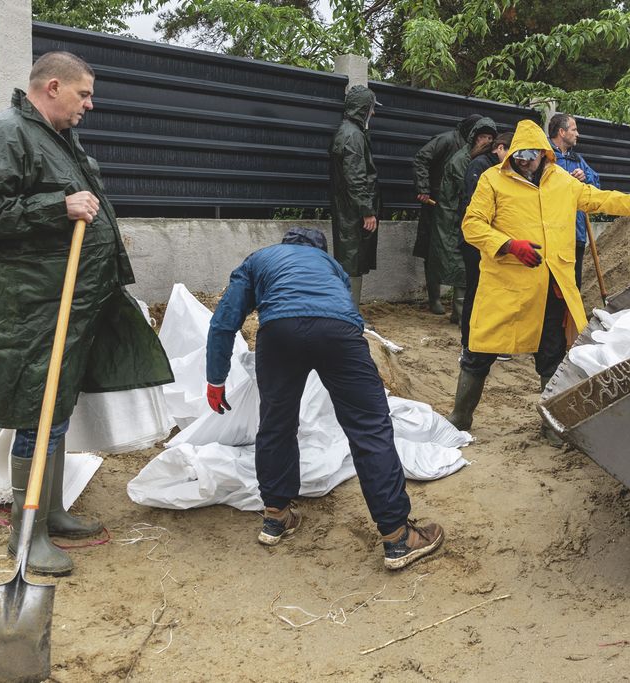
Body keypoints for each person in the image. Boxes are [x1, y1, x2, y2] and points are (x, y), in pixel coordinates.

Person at [0, 51, 174, 576]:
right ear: (53, 86)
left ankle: (50, 510)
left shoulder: (52, 137)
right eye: (84, 94)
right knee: (37, 410)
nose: (89, 105)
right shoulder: (4, 134)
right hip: (28, 306)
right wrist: (58, 207)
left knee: (55, 411)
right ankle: (28, 534)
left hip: (64, 300)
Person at [204, 227, 445, 570]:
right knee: (370, 427)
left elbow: (224, 321)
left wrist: (216, 379)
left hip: (277, 334)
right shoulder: (331, 265)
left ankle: (276, 516)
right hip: (338, 333)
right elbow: (342, 310)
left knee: (276, 423)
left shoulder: (258, 260)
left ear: (285, 246)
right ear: (319, 248)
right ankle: (397, 537)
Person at [448, 120, 630, 444]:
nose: (523, 161)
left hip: (551, 288)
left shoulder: (562, 183)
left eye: (530, 156)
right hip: (507, 287)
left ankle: (551, 425)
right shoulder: (492, 181)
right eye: (518, 156)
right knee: (479, 351)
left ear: (543, 154)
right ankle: (460, 416)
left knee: (552, 354)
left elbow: (600, 199)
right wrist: (510, 245)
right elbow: (472, 226)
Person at [413, 114, 483, 314]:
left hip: (459, 206)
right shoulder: (446, 140)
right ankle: (434, 298)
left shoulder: (475, 149)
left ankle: (457, 306)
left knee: (460, 253)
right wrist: (423, 189)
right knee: (432, 251)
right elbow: (421, 158)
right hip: (435, 202)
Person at [431, 117, 497, 325]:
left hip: (461, 215)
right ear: (473, 138)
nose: (486, 141)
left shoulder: (477, 159)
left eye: (490, 137)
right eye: (482, 137)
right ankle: (462, 316)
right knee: (461, 266)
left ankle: (459, 314)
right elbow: (467, 192)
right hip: (454, 217)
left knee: (465, 266)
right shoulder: (465, 161)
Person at [459, 131, 513, 352]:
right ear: (499, 148)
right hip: (476, 241)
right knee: (475, 291)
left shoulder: (506, 171)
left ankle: (492, 342)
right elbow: (473, 207)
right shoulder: (480, 167)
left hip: (496, 241)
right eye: (510, 151)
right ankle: (468, 343)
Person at [329, 85, 381, 312]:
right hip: (352, 211)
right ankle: (350, 314)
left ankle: (348, 311)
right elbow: (355, 176)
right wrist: (367, 211)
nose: (374, 113)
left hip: (347, 208)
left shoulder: (349, 131)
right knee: (352, 260)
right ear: (363, 108)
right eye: (371, 108)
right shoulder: (353, 135)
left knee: (351, 258)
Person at [548, 113, 601, 287]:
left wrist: (586, 178)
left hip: (576, 233)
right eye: (574, 129)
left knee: (573, 286)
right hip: (552, 235)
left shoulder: (577, 160)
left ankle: (571, 316)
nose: (577, 134)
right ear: (562, 132)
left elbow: (597, 188)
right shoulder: (544, 157)